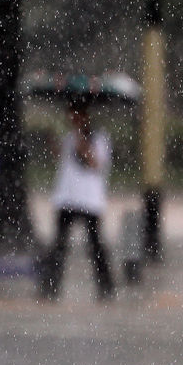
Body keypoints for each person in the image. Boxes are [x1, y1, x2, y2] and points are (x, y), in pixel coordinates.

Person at [39, 100, 115, 301]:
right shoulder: (69, 137)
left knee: (96, 246)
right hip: (67, 198)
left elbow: (95, 163)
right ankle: (51, 287)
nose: (72, 119)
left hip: (89, 200)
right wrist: (53, 144)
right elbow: (63, 158)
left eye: (76, 115)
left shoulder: (99, 138)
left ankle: (105, 288)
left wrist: (83, 141)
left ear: (84, 116)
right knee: (59, 245)